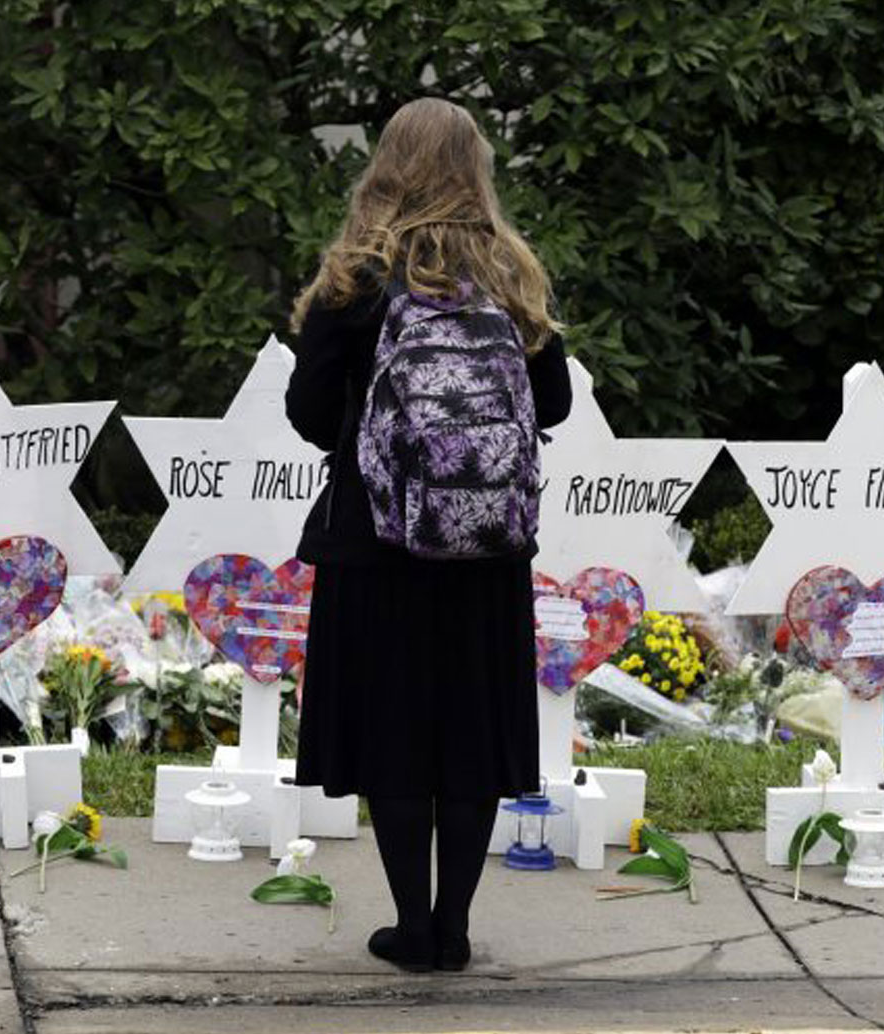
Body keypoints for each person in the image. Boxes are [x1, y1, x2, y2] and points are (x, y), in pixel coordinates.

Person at [285, 97, 571, 973]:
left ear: (386, 167)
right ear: (474, 170)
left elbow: (305, 414)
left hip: (377, 547)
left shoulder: (357, 278)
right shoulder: (510, 272)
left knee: (398, 735)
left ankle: (412, 927)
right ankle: (456, 927)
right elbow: (553, 403)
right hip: (486, 553)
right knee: (471, 737)